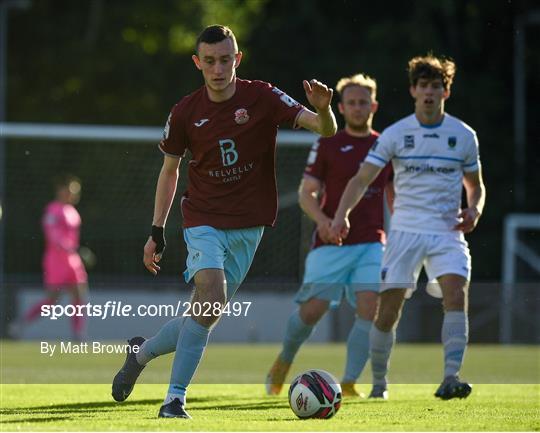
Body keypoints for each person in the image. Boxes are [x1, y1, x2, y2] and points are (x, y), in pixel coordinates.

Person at [111, 24, 337, 419]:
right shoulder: (185, 112)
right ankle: (174, 400)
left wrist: (323, 107)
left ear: (238, 59)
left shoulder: (262, 96)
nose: (218, 69)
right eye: (210, 61)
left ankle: (142, 352)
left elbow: (325, 129)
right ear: (198, 62)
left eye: (226, 60)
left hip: (249, 225)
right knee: (211, 298)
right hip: (202, 218)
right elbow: (169, 172)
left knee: (204, 313)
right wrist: (156, 231)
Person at [330, 54, 486, 400]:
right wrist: (342, 214)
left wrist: (474, 208)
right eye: (423, 86)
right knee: (387, 313)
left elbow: (476, 185)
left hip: (448, 232)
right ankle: (380, 383)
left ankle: (450, 377)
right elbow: (360, 179)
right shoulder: (396, 134)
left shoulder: (463, 135)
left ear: (445, 92)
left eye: (436, 86)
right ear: (413, 90)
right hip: (404, 234)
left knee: (456, 294)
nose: (429, 93)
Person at [265, 73, 393, 398]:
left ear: (374, 105)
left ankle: (349, 381)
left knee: (369, 306)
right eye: (351, 102)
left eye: (364, 102)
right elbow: (307, 193)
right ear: (342, 106)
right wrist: (323, 220)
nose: (358, 108)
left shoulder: (384, 146)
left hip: (371, 242)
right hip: (330, 242)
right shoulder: (327, 141)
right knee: (312, 310)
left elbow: (394, 197)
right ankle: (284, 359)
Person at [9, 175, 89, 341]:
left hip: (72, 260)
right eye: (69, 191)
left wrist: (75, 250)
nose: (72, 195)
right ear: (61, 191)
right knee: (51, 300)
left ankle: (78, 334)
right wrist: (70, 247)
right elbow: (52, 235)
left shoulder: (73, 211)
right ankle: (20, 324)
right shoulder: (53, 210)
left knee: (79, 295)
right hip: (56, 260)